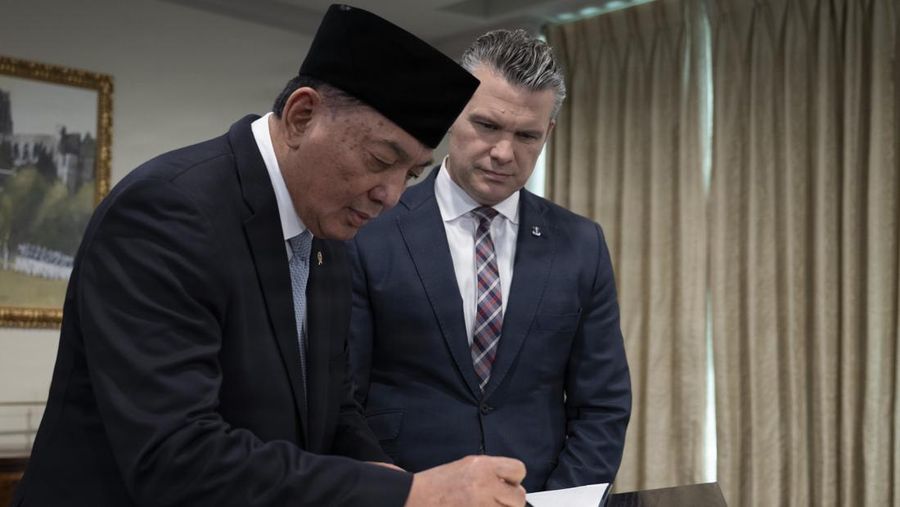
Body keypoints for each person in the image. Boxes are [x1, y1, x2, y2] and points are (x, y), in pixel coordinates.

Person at [12, 6, 528, 507]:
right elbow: (177, 458)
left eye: (411, 174)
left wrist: (396, 482)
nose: (391, 195)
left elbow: (331, 411)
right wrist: (409, 494)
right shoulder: (169, 213)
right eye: (380, 161)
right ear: (303, 115)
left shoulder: (325, 231)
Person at [347, 28, 632, 493]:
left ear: (548, 134)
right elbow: (342, 399)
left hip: (537, 495)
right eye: (487, 126)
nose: (504, 152)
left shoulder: (581, 244)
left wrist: (561, 501)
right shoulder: (370, 229)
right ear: (452, 113)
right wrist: (399, 494)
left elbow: (602, 404)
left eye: (526, 135)